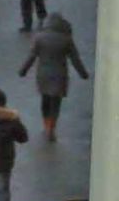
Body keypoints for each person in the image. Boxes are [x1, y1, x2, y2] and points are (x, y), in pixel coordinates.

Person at [19, 13, 90, 142]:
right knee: (56, 103)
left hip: (43, 74)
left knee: (45, 101)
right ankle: (52, 126)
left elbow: (32, 56)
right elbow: (75, 59)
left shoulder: (40, 38)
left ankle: (46, 124)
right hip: (60, 74)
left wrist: (23, 71)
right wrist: (83, 74)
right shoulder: (66, 39)